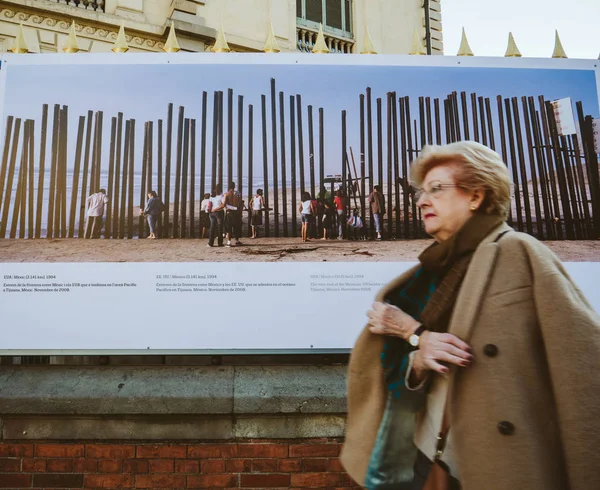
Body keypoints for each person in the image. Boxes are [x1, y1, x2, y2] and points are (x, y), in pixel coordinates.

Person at [340, 141, 600, 490]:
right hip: (429, 464)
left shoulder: (519, 252)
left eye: (437, 189)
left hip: (504, 466)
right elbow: (406, 369)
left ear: (476, 196)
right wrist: (418, 351)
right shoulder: (429, 272)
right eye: (421, 191)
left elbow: (584, 371)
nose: (421, 200)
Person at [223, 182, 243, 247]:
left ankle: (229, 242)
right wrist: (240, 211)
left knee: (228, 227)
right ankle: (237, 241)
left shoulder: (226, 194)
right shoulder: (238, 193)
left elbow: (224, 204)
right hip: (236, 212)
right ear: (234, 186)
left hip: (229, 212)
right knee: (236, 227)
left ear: (229, 187)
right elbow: (240, 203)